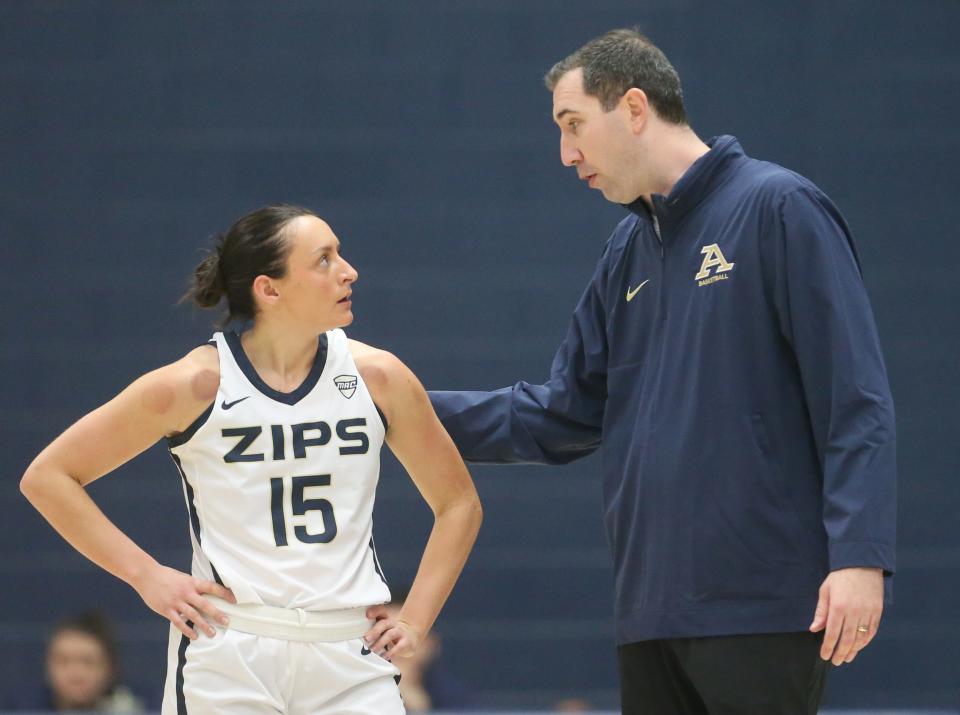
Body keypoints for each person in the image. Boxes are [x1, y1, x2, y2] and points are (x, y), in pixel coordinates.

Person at [428, 28, 895, 715]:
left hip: (760, 606)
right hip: (650, 612)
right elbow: (562, 412)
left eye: (574, 125)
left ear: (636, 107)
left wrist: (860, 555)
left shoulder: (778, 207)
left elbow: (855, 398)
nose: (566, 154)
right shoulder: (627, 249)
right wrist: (396, 408)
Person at [21, 204, 483, 714]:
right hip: (231, 646)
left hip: (351, 649)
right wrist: (146, 575)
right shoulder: (196, 384)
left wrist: (416, 619)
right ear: (270, 289)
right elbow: (48, 477)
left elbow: (458, 503)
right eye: (324, 260)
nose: (349, 270)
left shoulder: (381, 377)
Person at [5, 611, 145, 713]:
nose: (76, 674)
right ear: (48, 665)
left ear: (110, 667)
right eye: (63, 661)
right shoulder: (20, 709)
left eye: (88, 662)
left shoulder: (137, 709)